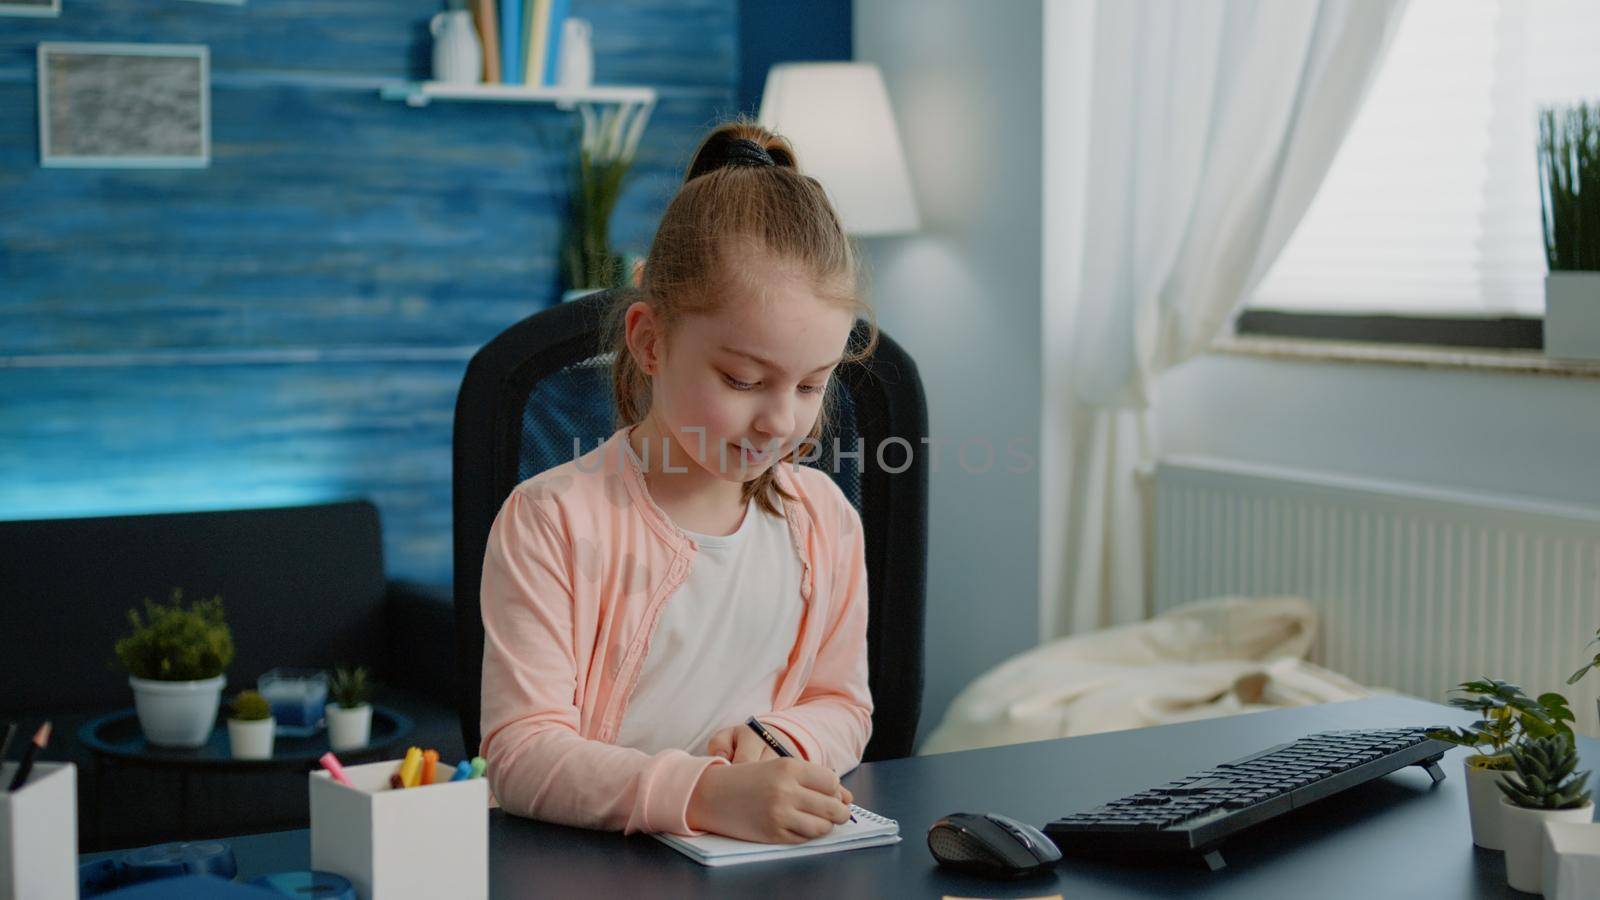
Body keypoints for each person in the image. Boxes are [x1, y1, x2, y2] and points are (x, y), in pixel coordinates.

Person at [479, 118, 881, 845]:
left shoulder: (826, 520)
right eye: (744, 380)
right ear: (649, 341)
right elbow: (520, 754)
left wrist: (782, 738)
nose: (778, 421)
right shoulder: (550, 520)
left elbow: (843, 704)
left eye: (811, 385)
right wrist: (705, 795)